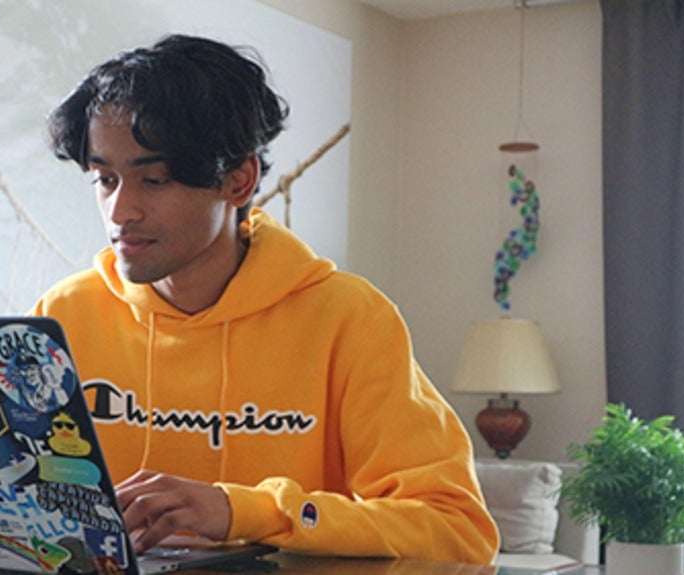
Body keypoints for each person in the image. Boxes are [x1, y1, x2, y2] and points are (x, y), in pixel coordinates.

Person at [32, 33, 498, 564]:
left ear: (238, 180)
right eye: (105, 179)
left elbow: (458, 531)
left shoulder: (349, 320)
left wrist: (246, 512)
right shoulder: (59, 320)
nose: (119, 212)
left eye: (153, 179)